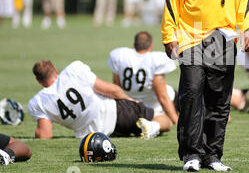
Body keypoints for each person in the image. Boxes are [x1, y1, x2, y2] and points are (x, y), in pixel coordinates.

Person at [161, 0, 249, 172]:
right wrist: (169, 36)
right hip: (191, 38)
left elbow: (243, 3)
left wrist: (248, 30)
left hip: (223, 40)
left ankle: (213, 155)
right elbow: (172, 2)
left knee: (219, 100)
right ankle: (191, 154)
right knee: (191, 94)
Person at [28, 59, 172, 140]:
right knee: (163, 119)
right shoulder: (74, 70)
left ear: (39, 81)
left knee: (131, 130)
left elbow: (45, 135)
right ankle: (154, 127)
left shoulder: (38, 102)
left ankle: (147, 127)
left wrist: (37, 133)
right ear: (55, 70)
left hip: (91, 136)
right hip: (115, 113)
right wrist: (130, 101)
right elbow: (111, 90)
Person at [107, 31, 178, 125]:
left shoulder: (119, 55)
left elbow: (116, 87)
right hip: (153, 109)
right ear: (151, 46)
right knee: (170, 91)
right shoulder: (156, 59)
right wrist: (175, 121)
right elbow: (162, 96)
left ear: (134, 45)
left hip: (129, 106)